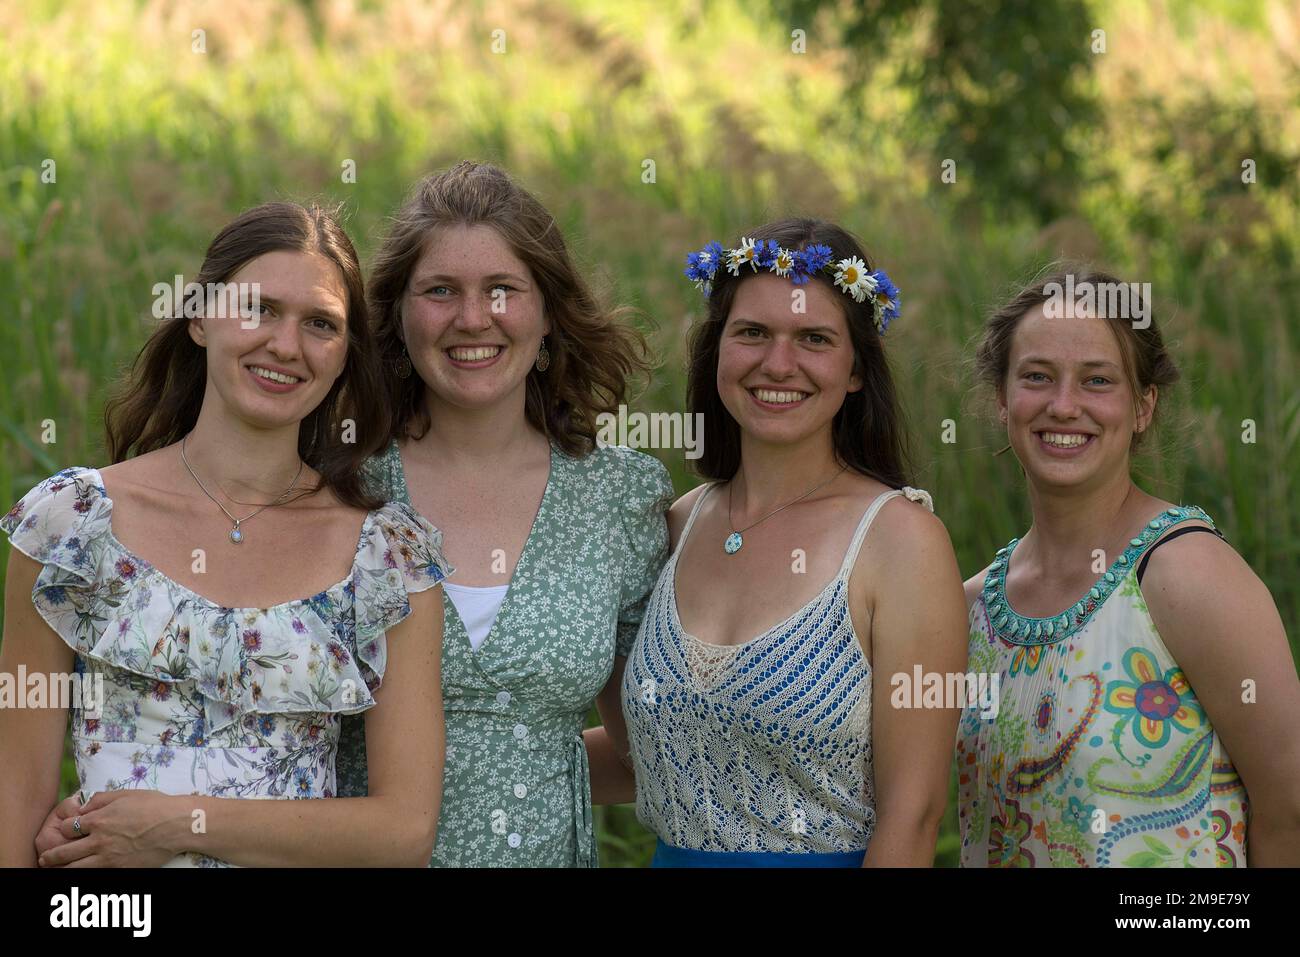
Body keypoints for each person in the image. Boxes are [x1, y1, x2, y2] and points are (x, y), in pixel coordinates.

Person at [6, 202, 449, 867]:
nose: (285, 344)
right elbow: (15, 792)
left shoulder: (387, 560)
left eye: (320, 324)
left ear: (344, 356)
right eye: (258, 308)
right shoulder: (70, 524)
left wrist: (177, 824)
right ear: (200, 317)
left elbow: (404, 832)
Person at [594, 220, 969, 866]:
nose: (778, 363)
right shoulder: (675, 527)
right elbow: (651, 753)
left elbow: (914, 815)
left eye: (815, 339)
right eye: (752, 333)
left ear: (855, 371)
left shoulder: (900, 543)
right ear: (717, 350)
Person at [334, 161, 674, 867]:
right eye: (440, 291)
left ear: (548, 312)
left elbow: (650, 748)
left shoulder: (619, 497)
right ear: (397, 315)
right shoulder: (341, 486)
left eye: (502, 290)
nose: (471, 318)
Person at [957, 267, 1300, 867]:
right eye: (1037, 377)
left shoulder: (1186, 576)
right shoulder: (971, 608)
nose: (1063, 406)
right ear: (1001, 400)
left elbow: (1291, 810)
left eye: (1097, 381)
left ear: (1143, 408)